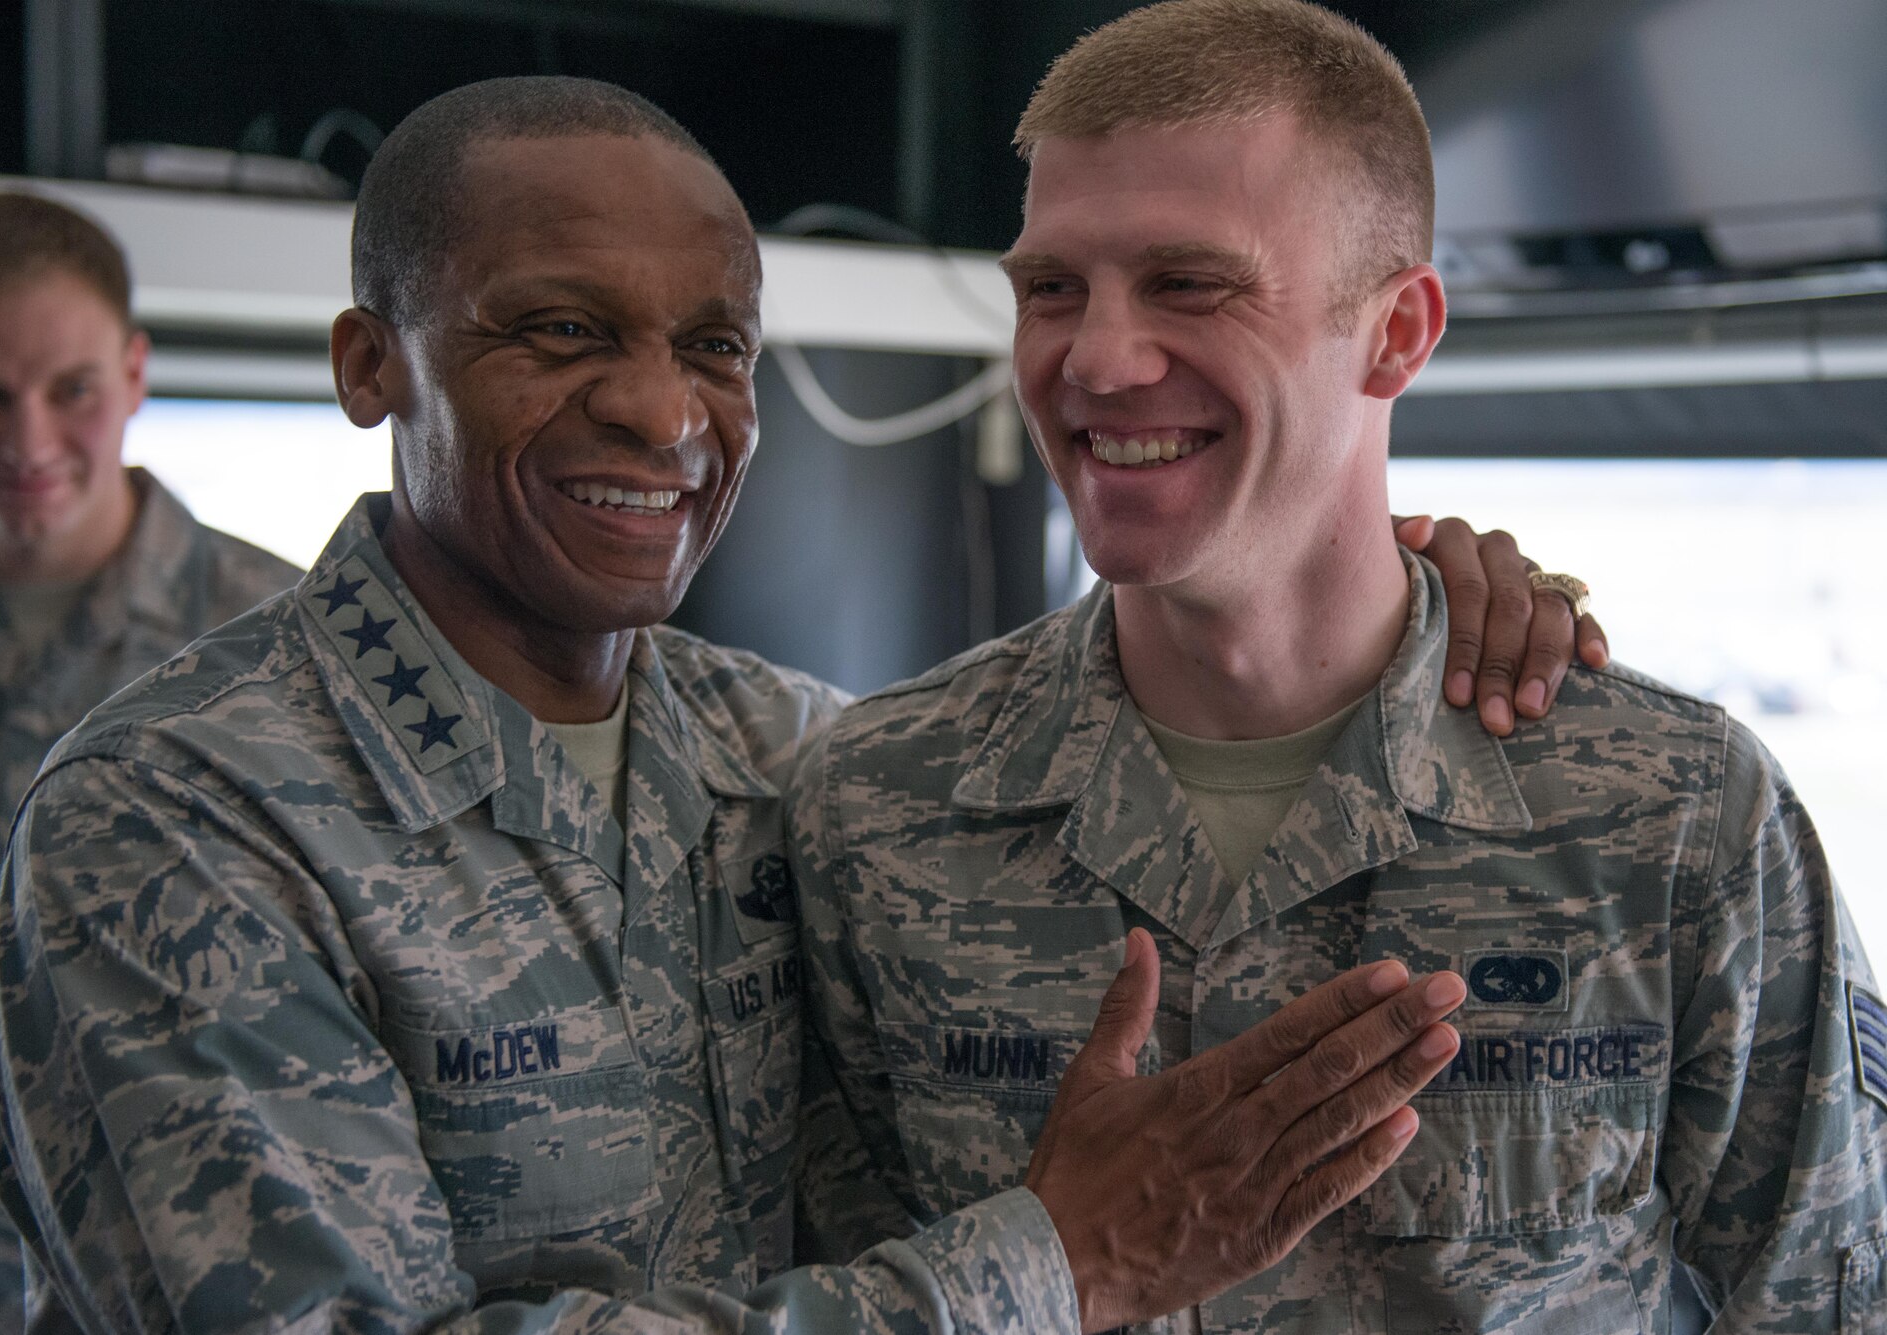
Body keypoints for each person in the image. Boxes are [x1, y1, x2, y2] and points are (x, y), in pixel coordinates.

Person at [0, 78, 1591, 1334]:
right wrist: (1054, 1266)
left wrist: (1393, 594)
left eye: (716, 348)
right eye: (561, 331)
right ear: (374, 365)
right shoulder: (168, 831)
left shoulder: (785, 756)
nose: (661, 412)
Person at [791, 2, 1887, 1332]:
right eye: (1051, 288)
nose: (1094, 357)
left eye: (1191, 284)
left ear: (1399, 332)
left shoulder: (1679, 816)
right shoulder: (878, 806)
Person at [0, 193, 300, 1334]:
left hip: (182, 1275)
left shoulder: (274, 640)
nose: (27, 443)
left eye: (70, 391)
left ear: (132, 374)